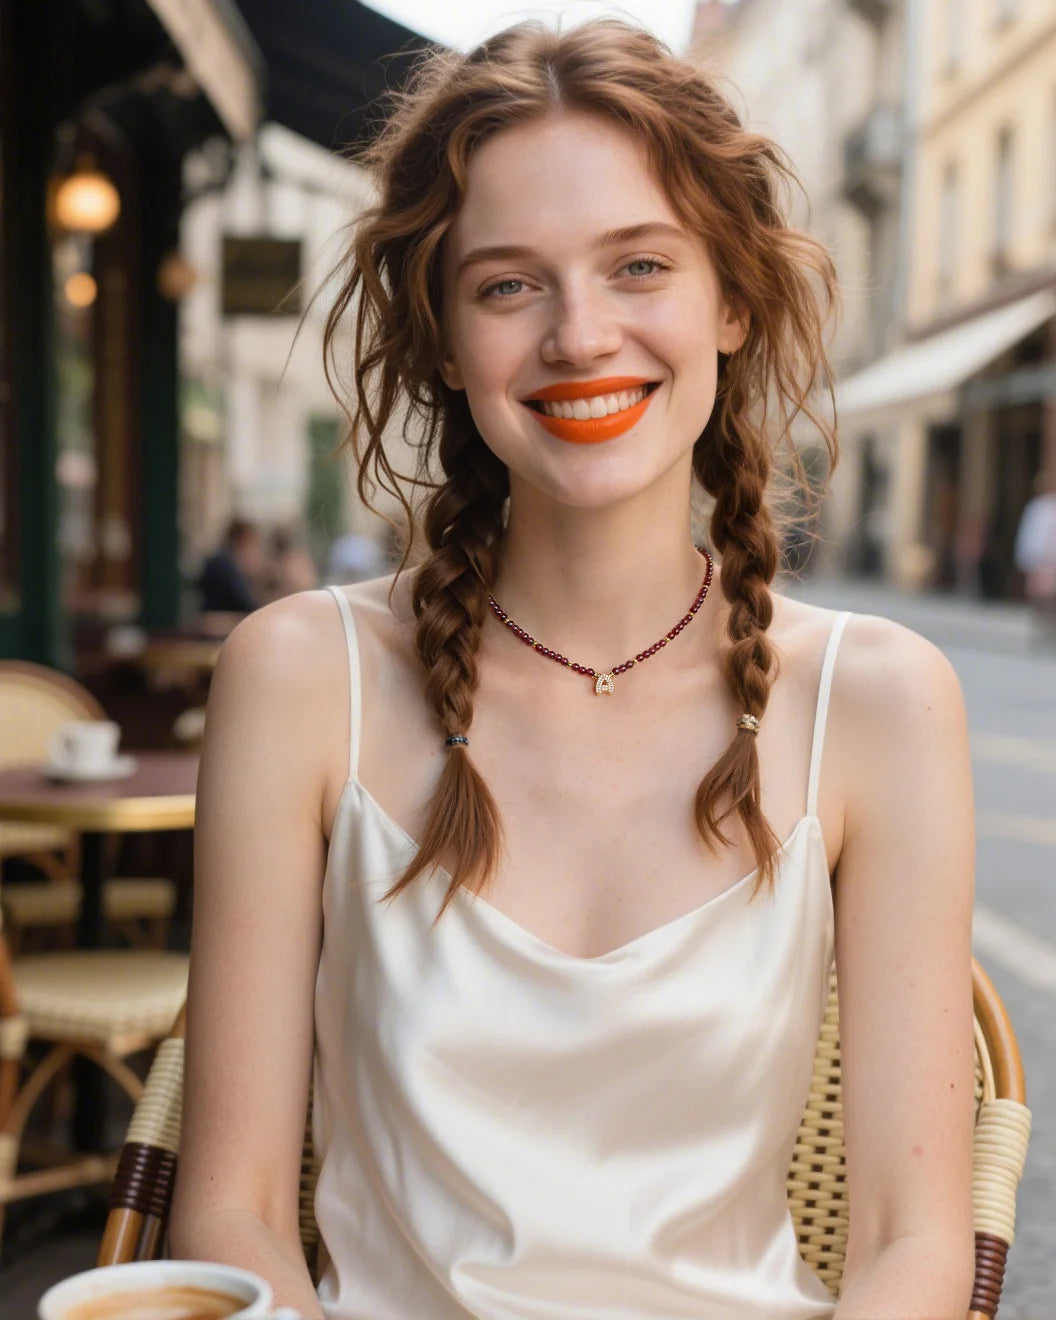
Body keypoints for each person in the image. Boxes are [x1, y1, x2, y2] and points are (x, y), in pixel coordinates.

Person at [171, 21, 976, 1320]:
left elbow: (912, 1244)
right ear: (445, 339)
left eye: (639, 265)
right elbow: (232, 1212)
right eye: (508, 286)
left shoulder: (878, 702)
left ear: (731, 300)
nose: (580, 335)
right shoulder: (299, 678)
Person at [1014, 468, 1056, 642]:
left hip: (1051, 560)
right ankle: (1042, 625)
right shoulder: (1037, 508)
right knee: (1039, 595)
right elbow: (1030, 535)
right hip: (1039, 560)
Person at [195, 518, 265, 615]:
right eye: (252, 543)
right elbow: (246, 603)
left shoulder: (223, 559)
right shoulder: (223, 564)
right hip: (217, 619)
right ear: (242, 540)